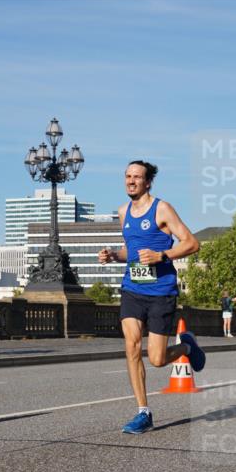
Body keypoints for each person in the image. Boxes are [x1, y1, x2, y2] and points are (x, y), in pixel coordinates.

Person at [98, 160, 206, 434]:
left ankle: (187, 348)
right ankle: (143, 412)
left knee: (157, 359)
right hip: (133, 288)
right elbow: (130, 252)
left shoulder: (163, 208)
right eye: (127, 176)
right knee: (132, 346)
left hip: (161, 292)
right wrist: (114, 255)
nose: (131, 181)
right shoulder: (123, 212)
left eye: (137, 177)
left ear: (148, 182)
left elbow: (192, 243)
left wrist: (163, 255)